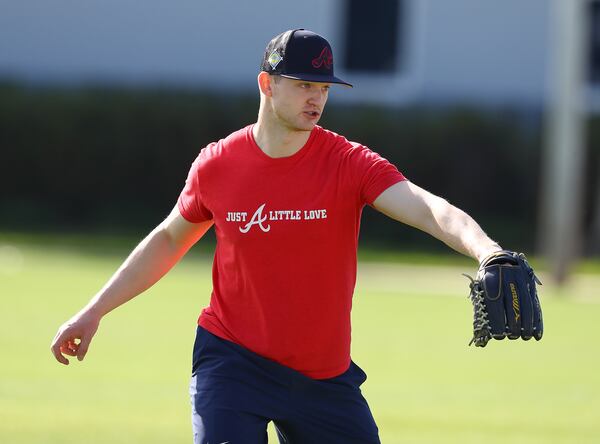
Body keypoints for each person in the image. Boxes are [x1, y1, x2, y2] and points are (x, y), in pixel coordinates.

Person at [51, 29, 502, 443]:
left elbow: (428, 209)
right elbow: (170, 239)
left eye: (323, 88)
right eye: (304, 84)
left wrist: (489, 252)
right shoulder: (217, 165)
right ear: (267, 84)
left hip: (322, 377)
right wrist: (94, 312)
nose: (317, 99)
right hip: (232, 363)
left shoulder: (349, 163)